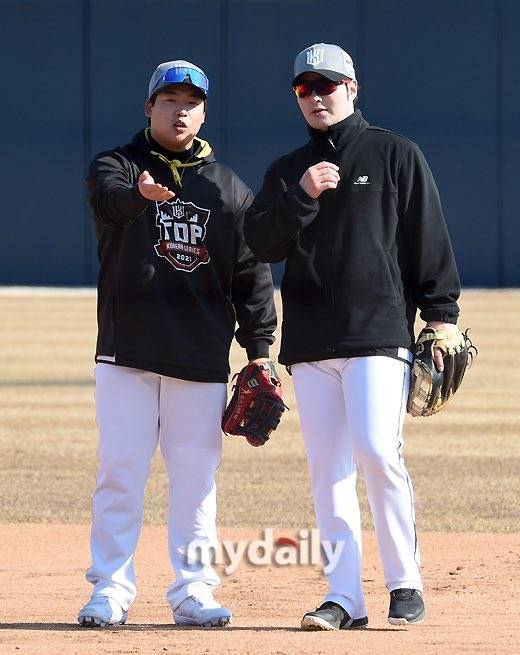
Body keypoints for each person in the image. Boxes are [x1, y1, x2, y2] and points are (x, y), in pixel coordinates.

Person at [244, 43, 461, 630]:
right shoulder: (289, 171)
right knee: (329, 470)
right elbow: (261, 243)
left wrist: (440, 317)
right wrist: (302, 196)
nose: (317, 96)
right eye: (305, 89)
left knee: (376, 451)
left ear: (353, 88)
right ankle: (344, 597)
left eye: (328, 85)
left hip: (378, 333)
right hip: (313, 342)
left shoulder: (395, 154)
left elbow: (427, 238)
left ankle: (405, 581)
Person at [78, 60, 276, 628]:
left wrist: (260, 349)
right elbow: (108, 205)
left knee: (195, 481)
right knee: (119, 472)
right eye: (169, 99)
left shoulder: (228, 188)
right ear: (149, 107)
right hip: (127, 353)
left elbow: (251, 275)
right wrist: (141, 195)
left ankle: (193, 591)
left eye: (191, 100)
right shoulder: (116, 165)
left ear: (205, 111)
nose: (180, 108)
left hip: (200, 359)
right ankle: (110, 591)